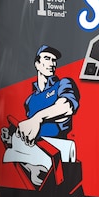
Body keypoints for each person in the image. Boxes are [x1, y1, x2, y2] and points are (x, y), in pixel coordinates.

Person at [16, 45, 80, 185]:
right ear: (37, 64)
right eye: (47, 58)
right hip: (34, 157)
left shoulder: (63, 84)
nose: (52, 63)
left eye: (54, 60)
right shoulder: (30, 100)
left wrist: (38, 118)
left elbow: (66, 107)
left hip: (59, 157)